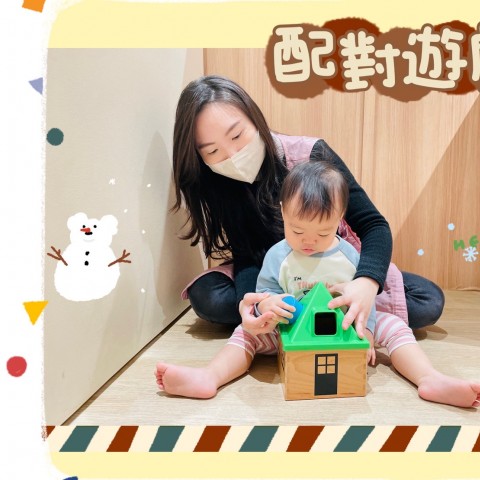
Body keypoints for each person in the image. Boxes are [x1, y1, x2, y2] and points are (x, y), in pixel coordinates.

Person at [156, 162, 480, 408]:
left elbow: (363, 299)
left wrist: (367, 332)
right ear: (283, 212)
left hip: (343, 330)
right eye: (297, 231)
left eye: (323, 233)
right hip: (288, 331)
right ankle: (209, 377)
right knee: (245, 334)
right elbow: (265, 291)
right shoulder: (278, 255)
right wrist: (267, 306)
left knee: (394, 326)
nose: (308, 242)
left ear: (340, 218)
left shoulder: (348, 255)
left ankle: (429, 378)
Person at [171, 75, 444, 334]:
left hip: (330, 271)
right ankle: (297, 317)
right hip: (275, 278)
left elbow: (373, 224)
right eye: (213, 151)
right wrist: (252, 304)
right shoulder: (219, 182)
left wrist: (366, 282)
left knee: (428, 302)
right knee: (207, 296)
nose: (233, 155)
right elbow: (247, 255)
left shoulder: (310, 155)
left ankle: (308, 316)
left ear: (254, 118)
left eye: (237, 135)